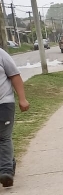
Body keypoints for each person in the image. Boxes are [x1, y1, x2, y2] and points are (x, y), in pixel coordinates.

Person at [0, 48, 29, 187]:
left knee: (3, 137)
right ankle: (9, 162)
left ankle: (6, 171)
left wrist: (22, 99)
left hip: (4, 103)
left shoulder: (1, 54)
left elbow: (15, 76)